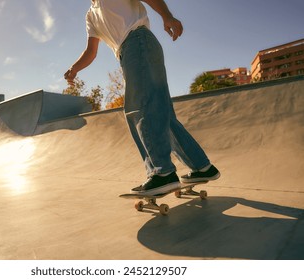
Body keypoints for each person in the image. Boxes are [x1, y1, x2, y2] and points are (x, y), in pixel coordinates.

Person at [64, 0, 220, 196]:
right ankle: (202, 167)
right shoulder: (90, 15)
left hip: (138, 41)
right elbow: (91, 51)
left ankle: (162, 173)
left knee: (140, 108)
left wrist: (167, 16)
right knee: (161, 113)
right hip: (129, 52)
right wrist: (74, 69)